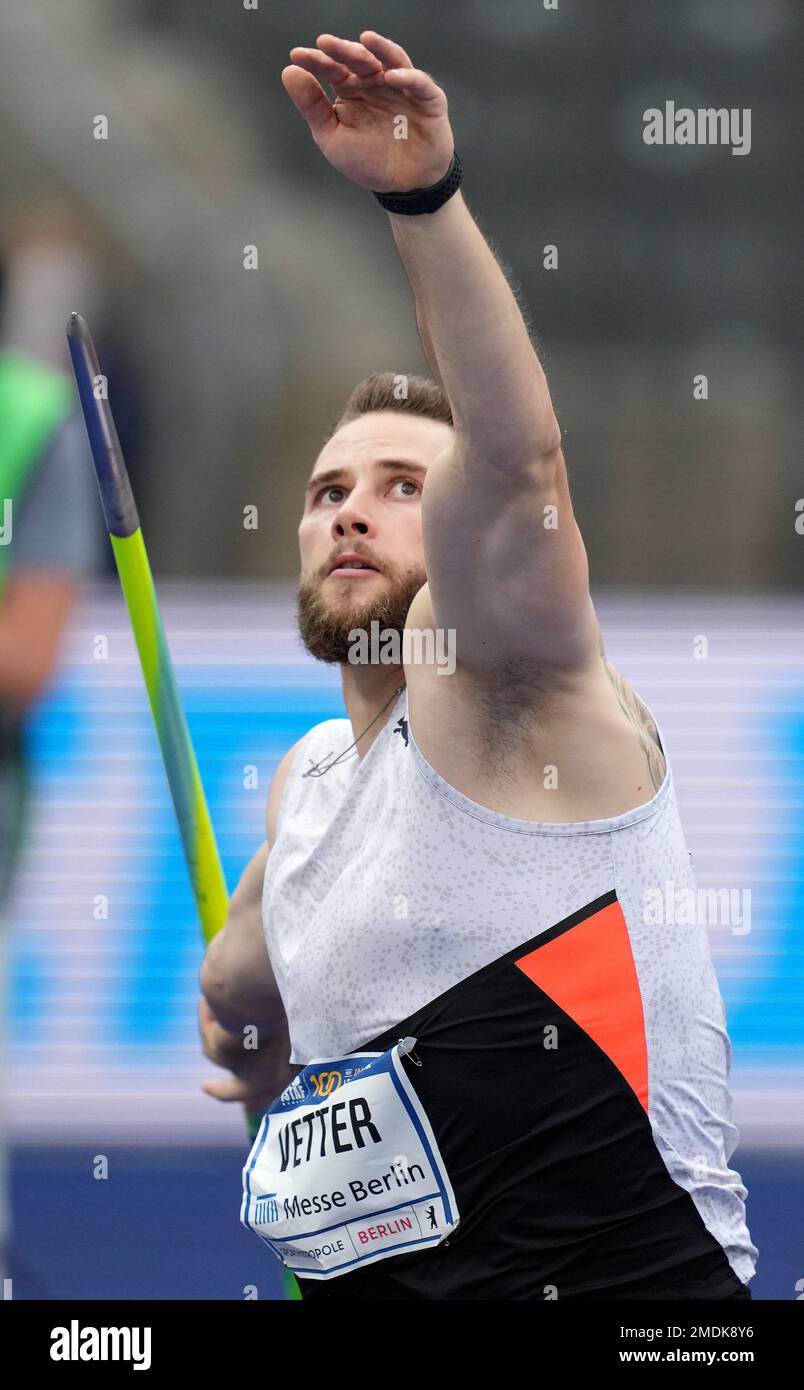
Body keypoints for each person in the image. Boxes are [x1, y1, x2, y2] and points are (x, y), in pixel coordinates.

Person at [199, 29, 757, 1300]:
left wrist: (424, 201)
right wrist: (241, 1019)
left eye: (403, 485)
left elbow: (516, 465)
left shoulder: (507, 690)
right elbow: (246, 956)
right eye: (327, 491)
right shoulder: (311, 782)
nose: (352, 510)